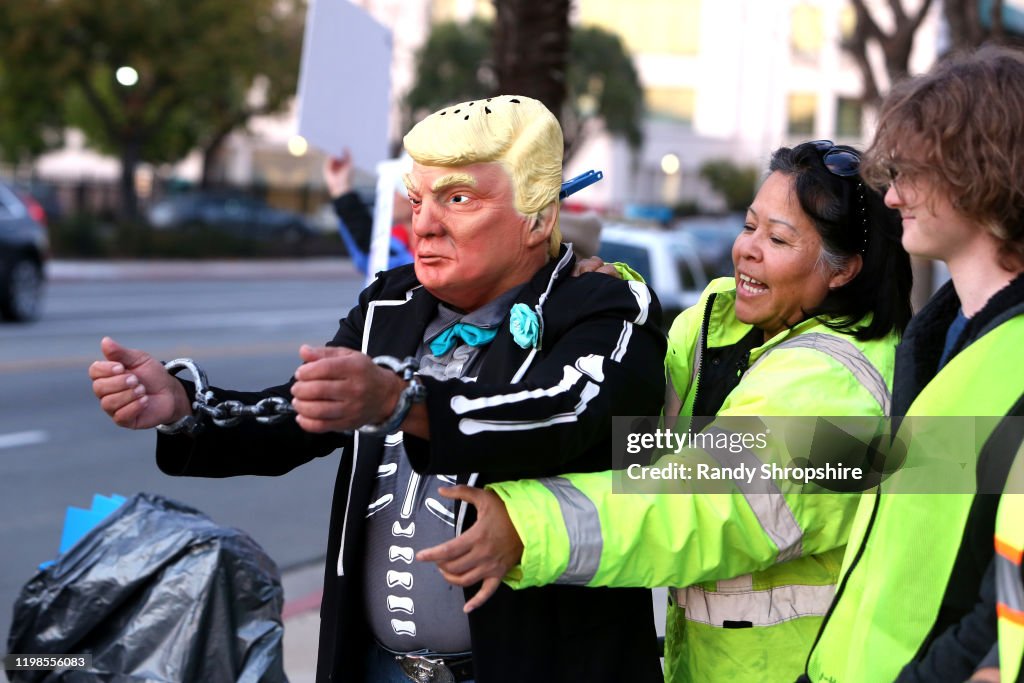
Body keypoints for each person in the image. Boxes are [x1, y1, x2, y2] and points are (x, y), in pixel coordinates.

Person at [89, 95, 667, 683]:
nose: (424, 223)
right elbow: (298, 414)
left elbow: (565, 412)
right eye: (417, 199)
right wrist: (187, 410)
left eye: (458, 199)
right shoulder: (390, 302)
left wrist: (403, 404)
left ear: (538, 218)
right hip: (374, 666)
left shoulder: (605, 306)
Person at [419, 139, 913, 682]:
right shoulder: (719, 325)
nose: (747, 249)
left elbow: (697, 502)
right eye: (749, 226)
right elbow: (643, 440)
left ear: (843, 271)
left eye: (778, 238)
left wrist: (527, 526)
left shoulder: (838, 389)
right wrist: (613, 310)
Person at [798, 45, 1024, 683]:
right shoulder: (938, 338)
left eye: (912, 171)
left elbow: (1002, 620)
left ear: (982, 169)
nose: (892, 197)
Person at [323, 148, 415, 274]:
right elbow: (369, 258)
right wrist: (340, 188)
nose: (389, 195)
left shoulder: (438, 253)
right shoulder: (393, 242)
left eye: (396, 188)